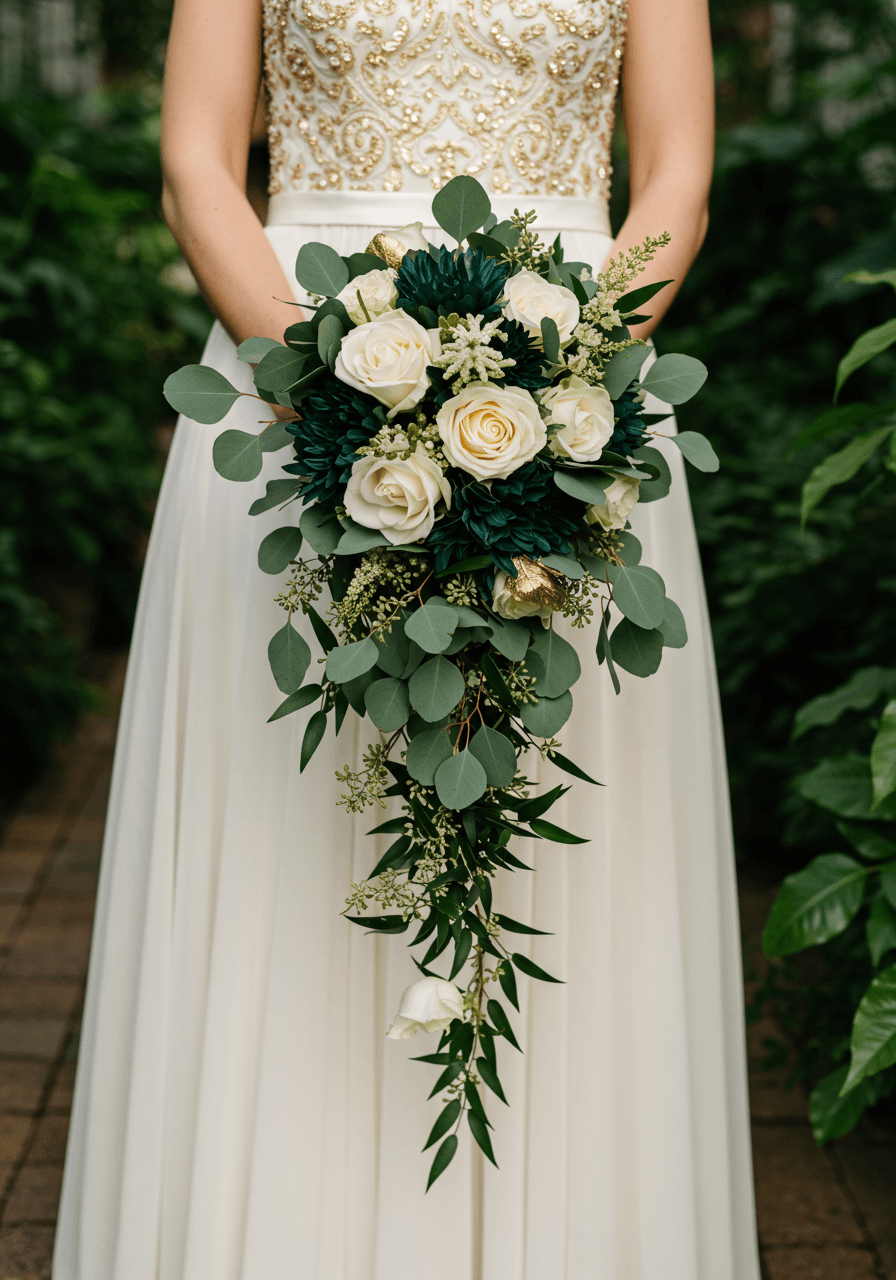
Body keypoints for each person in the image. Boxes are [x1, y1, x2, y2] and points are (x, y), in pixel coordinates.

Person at [53, 0, 761, 1276]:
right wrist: (340, 407)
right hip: (288, 405)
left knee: (566, 837)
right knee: (292, 834)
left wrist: (559, 396)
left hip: (575, 401)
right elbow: (195, 163)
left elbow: (675, 173)